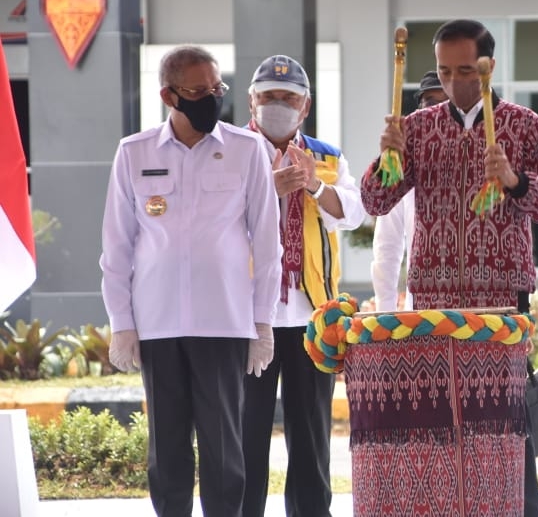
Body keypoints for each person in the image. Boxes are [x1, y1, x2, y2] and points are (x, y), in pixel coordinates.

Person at [360, 19, 538, 517]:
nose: (453, 83)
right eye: (443, 71)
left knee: (506, 430)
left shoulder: (524, 125)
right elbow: (374, 199)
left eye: (464, 71)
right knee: (442, 429)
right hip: (434, 301)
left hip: (501, 298)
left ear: (489, 67)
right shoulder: (418, 127)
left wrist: (515, 181)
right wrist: (386, 157)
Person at [99, 45, 282, 517]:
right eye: (198, 91)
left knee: (224, 450)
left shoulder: (247, 150)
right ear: (169, 95)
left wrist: (262, 323)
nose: (211, 98)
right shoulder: (134, 152)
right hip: (158, 323)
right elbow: (117, 247)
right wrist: (122, 323)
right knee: (168, 450)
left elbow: (267, 245)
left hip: (222, 321)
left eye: (216, 88)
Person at [242, 55, 366, 517]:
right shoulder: (230, 150)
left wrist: (315, 186)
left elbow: (352, 214)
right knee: (244, 431)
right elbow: (209, 222)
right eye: (268, 97)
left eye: (288, 98)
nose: (277, 104)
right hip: (247, 316)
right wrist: (265, 190)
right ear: (251, 101)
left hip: (311, 314)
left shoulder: (328, 156)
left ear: (305, 105)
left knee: (311, 434)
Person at [370, 70, 449, 311]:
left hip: (481, 311)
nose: (438, 111)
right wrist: (386, 312)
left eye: (447, 103)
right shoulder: (403, 164)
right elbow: (387, 245)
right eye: (430, 103)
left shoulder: (483, 159)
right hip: (422, 311)